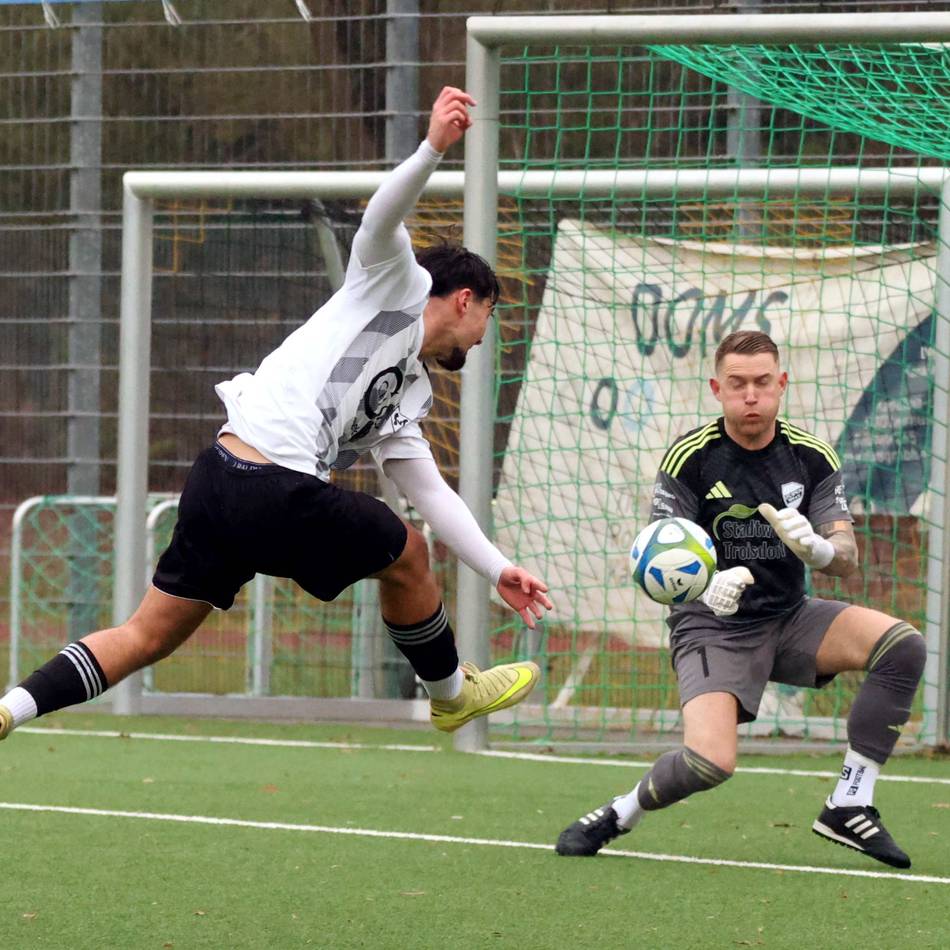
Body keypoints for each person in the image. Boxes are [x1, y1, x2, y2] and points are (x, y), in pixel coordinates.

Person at [0, 86, 552, 743]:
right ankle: (452, 694)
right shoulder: (391, 282)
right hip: (267, 485)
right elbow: (381, 215)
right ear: (467, 299)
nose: (486, 335)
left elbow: (430, 491)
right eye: (490, 314)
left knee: (147, 634)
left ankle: (9, 708)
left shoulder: (410, 395)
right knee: (403, 551)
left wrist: (496, 568)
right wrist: (434, 146)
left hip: (220, 481)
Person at [555, 329, 925, 869]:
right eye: (737, 384)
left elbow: (847, 555)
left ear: (781, 384)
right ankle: (621, 811)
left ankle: (849, 802)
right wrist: (706, 586)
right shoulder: (691, 458)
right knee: (709, 763)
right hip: (713, 627)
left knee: (902, 646)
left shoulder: (812, 457)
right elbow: (654, 559)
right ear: (716, 388)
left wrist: (821, 550)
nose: (751, 395)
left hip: (789, 616)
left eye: (762, 383)